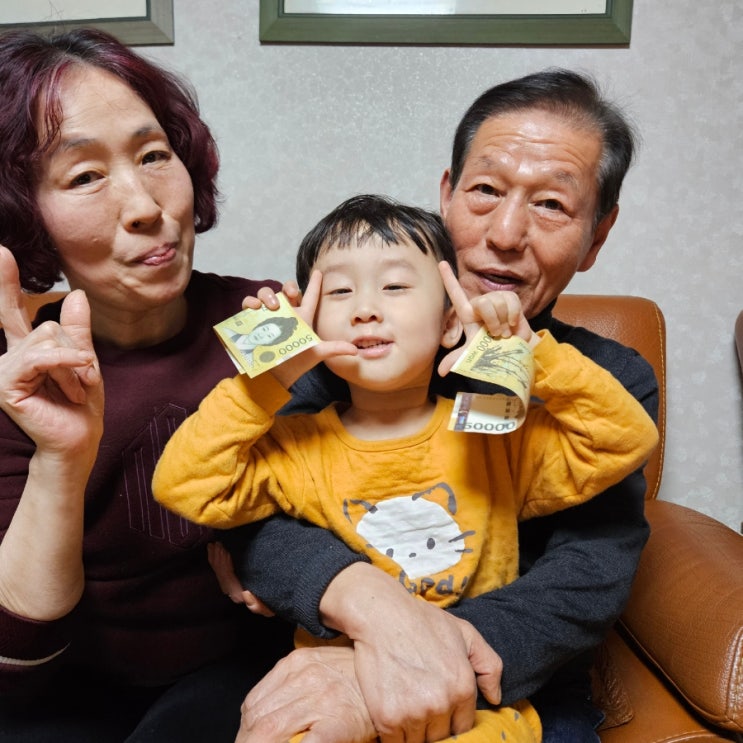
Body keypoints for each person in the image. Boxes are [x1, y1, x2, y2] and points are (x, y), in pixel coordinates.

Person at [0, 29, 504, 743]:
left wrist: (250, 542)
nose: (145, 205)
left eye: (154, 155)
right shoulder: (21, 372)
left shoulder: (275, 325)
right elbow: (18, 659)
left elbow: (378, 468)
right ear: (25, 208)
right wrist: (61, 458)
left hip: (235, 672)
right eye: (84, 177)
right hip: (62, 685)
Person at [226, 70, 660, 743]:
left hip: (513, 678)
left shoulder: (609, 380)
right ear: (446, 194)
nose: (506, 233)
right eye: (485, 191)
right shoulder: (359, 341)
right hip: (325, 644)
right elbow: (254, 513)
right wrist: (377, 615)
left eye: (551, 203)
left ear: (596, 236)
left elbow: (587, 573)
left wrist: (398, 668)